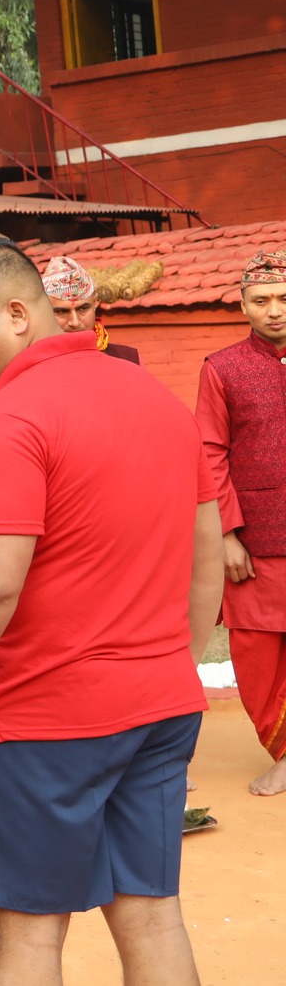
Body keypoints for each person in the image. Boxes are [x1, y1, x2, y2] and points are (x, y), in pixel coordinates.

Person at [0, 237, 221, 986]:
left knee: (25, 940)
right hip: (160, 704)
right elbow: (206, 553)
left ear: (19, 313)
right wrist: (167, 663)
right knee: (153, 915)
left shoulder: (9, 419)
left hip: (44, 719)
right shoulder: (158, 398)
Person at [196, 248, 286, 797]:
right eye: (262, 300)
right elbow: (208, 453)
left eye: (283, 298)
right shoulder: (222, 368)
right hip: (255, 542)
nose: (275, 309)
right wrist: (226, 533)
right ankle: (283, 753)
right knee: (257, 661)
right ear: (244, 307)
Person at [41, 255, 140, 364]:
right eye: (61, 312)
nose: (74, 322)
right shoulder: (34, 366)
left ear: (95, 302)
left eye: (83, 309)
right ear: (45, 310)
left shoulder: (127, 359)